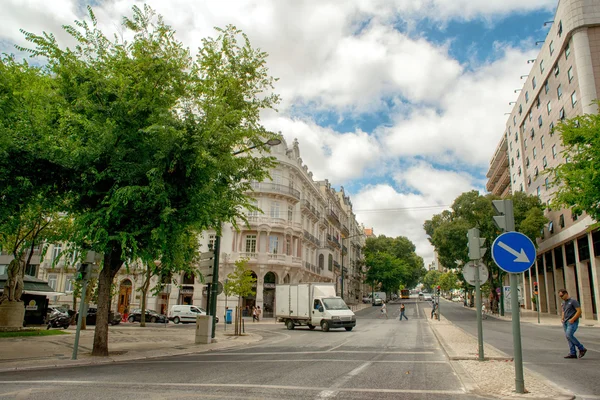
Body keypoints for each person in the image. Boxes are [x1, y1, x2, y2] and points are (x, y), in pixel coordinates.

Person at [558, 289, 587, 359]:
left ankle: (581, 348)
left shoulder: (573, 301)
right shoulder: (563, 303)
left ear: (566, 294)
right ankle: (572, 353)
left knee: (569, 335)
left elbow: (579, 311)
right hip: (565, 321)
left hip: (572, 321)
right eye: (560, 296)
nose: (561, 297)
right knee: (568, 337)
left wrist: (573, 319)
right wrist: (562, 318)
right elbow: (563, 311)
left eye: (562, 295)